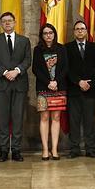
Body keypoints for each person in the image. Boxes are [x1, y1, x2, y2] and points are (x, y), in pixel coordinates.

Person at [0, 12, 31, 162]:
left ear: (15, 22)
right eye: (4, 21)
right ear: (1, 24)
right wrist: (5, 72)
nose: (7, 23)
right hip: (1, 84)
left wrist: (16, 71)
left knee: (18, 117)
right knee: (3, 118)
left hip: (19, 84)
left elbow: (27, 60)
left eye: (10, 21)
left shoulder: (24, 40)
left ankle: (17, 150)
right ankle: (4, 150)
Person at [64, 20, 95, 158]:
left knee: (89, 121)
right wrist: (78, 82)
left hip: (90, 91)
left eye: (82, 29)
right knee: (74, 121)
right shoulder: (67, 48)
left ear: (86, 31)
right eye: (77, 29)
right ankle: (74, 149)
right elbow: (66, 69)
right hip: (74, 90)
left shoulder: (94, 47)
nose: (80, 31)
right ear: (74, 32)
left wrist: (88, 83)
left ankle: (90, 148)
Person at [32, 23, 68, 160]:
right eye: (45, 33)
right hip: (43, 88)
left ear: (54, 34)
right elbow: (35, 69)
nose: (48, 35)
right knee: (44, 117)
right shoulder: (37, 50)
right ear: (42, 35)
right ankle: (45, 150)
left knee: (56, 118)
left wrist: (56, 81)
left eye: (50, 33)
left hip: (59, 87)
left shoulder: (61, 49)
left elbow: (65, 68)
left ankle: (54, 149)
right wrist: (48, 82)